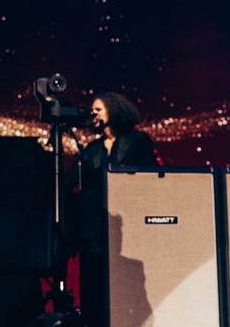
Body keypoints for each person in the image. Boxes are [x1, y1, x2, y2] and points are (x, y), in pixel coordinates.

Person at [76, 92, 159, 326]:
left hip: (128, 223)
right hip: (94, 229)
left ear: (114, 110)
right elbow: (73, 180)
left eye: (98, 110)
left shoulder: (138, 141)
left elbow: (151, 176)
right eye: (92, 111)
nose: (94, 114)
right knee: (95, 284)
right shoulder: (92, 149)